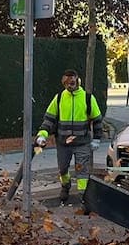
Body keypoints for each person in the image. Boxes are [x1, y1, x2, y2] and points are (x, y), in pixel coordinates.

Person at [35, 69, 104, 205]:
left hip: (82, 143)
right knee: (62, 169)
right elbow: (49, 119)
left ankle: (83, 197)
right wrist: (42, 134)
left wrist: (97, 138)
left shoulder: (87, 98)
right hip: (63, 143)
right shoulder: (59, 98)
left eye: (71, 82)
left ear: (78, 81)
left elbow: (97, 119)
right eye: (66, 83)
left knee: (82, 171)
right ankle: (65, 186)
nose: (69, 85)